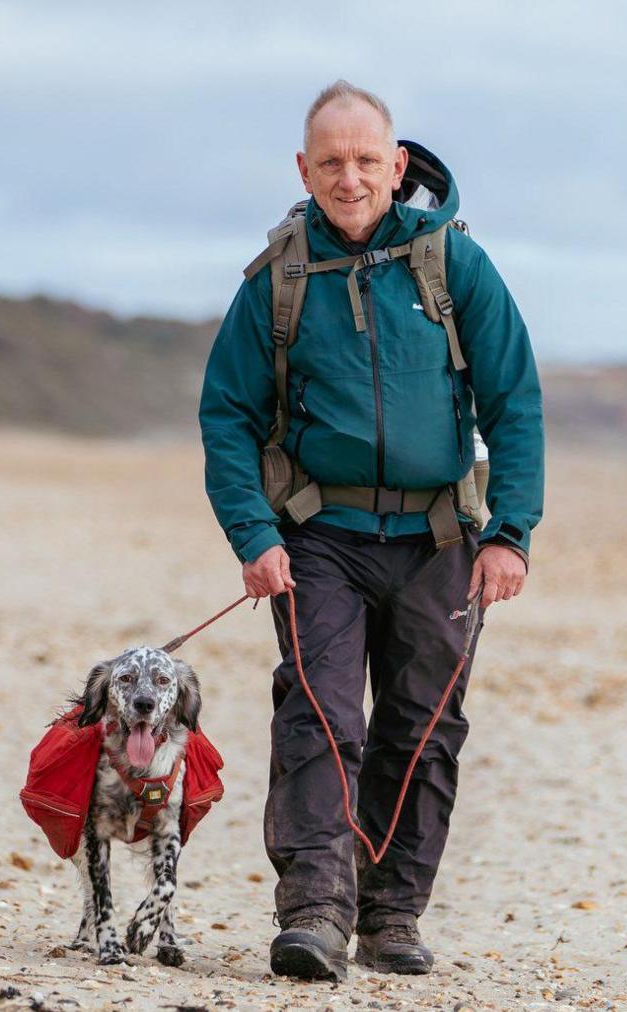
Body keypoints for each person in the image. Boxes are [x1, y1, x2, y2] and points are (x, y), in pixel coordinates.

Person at [199, 80, 544, 981]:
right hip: (319, 538)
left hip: (440, 539)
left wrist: (512, 533)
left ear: (397, 167)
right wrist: (253, 537)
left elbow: (516, 404)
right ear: (304, 170)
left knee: (423, 729)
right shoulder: (277, 278)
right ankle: (314, 910)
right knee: (318, 719)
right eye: (330, 162)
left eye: (365, 161)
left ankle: (393, 914)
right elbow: (226, 414)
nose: (348, 179)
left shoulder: (454, 266)